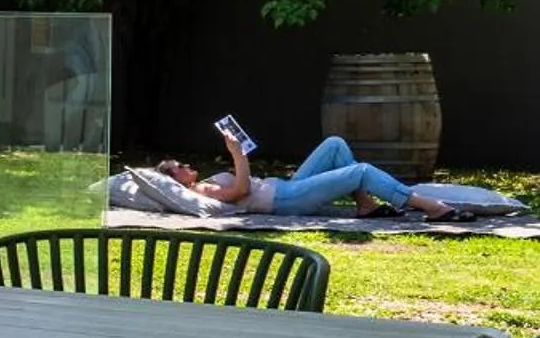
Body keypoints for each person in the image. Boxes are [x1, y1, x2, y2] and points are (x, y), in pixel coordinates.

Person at [158, 131, 454, 219]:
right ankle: (429, 207)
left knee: (335, 144)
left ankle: (365, 204)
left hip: (287, 188)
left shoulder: (203, 185)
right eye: (179, 167)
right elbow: (240, 192)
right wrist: (238, 155)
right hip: (286, 200)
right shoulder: (199, 192)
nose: (185, 165)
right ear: (177, 180)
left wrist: (239, 155)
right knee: (360, 171)